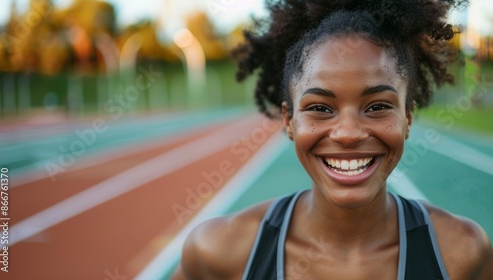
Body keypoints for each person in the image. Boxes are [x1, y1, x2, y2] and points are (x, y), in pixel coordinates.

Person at [172, 0, 493, 279]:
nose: (349, 133)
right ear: (289, 120)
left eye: (378, 106)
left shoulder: (462, 252)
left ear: (407, 119)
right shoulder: (219, 252)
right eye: (321, 108)